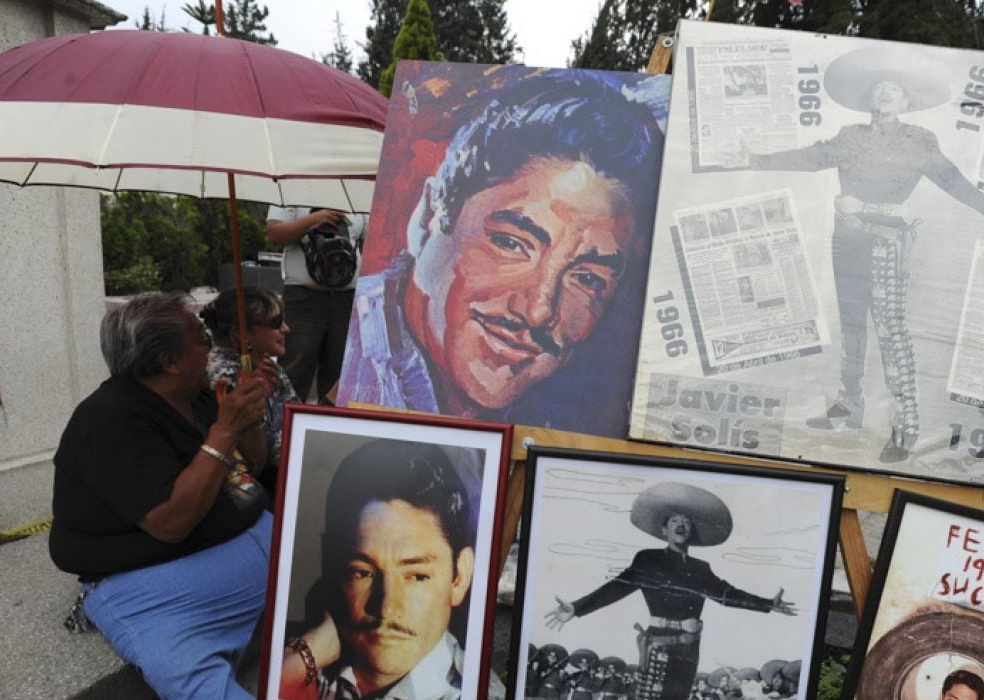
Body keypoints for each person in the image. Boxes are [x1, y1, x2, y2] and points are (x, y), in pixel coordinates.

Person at [741, 47, 984, 463]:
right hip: (846, 240)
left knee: (891, 332)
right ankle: (849, 410)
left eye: (895, 89)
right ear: (870, 99)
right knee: (851, 327)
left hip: (888, 244)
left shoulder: (919, 141)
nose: (886, 93)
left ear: (907, 102)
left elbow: (954, 181)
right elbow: (810, 158)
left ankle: (906, 427)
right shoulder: (849, 138)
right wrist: (754, 158)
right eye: (880, 88)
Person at [49, 292, 286, 700]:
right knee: (189, 675)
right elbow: (172, 522)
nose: (210, 344)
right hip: (149, 583)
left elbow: (256, 461)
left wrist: (245, 417)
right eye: (201, 338)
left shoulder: (197, 393)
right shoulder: (108, 420)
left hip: (246, 539)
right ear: (168, 360)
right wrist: (223, 431)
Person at [335, 70, 663, 433]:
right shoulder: (349, 367)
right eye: (511, 243)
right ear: (429, 217)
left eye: (586, 278)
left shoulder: (569, 413)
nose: (539, 311)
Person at [546, 482, 796, 700]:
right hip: (659, 645)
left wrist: (766, 604)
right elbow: (617, 587)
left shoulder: (700, 568)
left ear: (692, 532)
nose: (681, 524)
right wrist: (577, 608)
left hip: (690, 650)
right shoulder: (648, 560)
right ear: (663, 529)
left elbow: (726, 594)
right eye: (674, 520)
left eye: (687, 521)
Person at [278, 440, 476, 700]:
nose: (386, 606)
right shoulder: (303, 661)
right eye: (362, 572)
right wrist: (300, 662)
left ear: (460, 576)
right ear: (331, 563)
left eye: (417, 576)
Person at [199, 286, 299, 493]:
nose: (286, 329)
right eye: (276, 323)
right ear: (242, 334)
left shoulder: (266, 364)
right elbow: (257, 462)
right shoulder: (224, 378)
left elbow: (295, 418)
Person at [264, 206, 368, 402]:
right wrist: (312, 221)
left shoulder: (355, 189)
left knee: (342, 380)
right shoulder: (293, 183)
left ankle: (334, 430)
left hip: (348, 299)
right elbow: (275, 234)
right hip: (304, 299)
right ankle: (284, 428)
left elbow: (374, 238)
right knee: (293, 375)